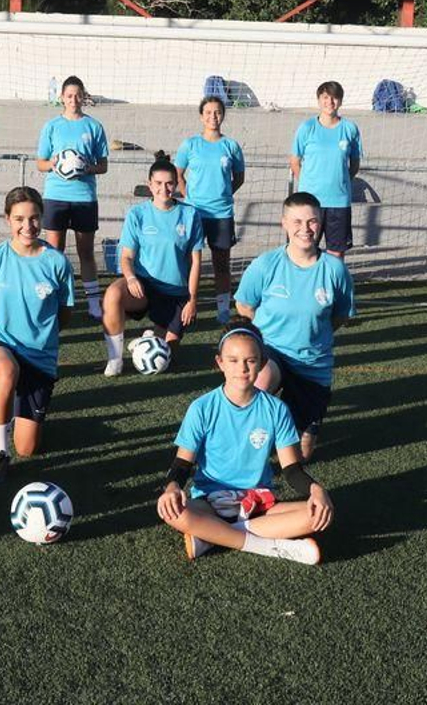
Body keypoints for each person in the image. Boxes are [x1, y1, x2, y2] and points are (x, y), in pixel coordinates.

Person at [155, 323, 330, 565]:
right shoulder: (202, 408)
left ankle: (213, 535)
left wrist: (316, 490)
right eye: (233, 360)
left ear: (262, 362)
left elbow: (291, 470)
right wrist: (173, 487)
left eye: (250, 360)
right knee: (172, 512)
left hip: (259, 502)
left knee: (316, 514)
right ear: (220, 363)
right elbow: (183, 462)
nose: (242, 368)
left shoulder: (276, 409)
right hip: (209, 502)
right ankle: (268, 546)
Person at [234, 192, 356, 461]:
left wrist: (313, 335)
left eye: (312, 221)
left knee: (300, 455)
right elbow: (244, 306)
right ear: (284, 224)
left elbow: (340, 316)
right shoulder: (266, 264)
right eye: (297, 221)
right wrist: (263, 339)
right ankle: (244, 454)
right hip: (272, 352)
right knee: (259, 379)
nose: (305, 229)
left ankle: (298, 427)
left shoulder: (335, 270)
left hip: (312, 363)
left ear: (321, 222)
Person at [0, 187, 75, 485]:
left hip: (40, 356)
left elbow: (64, 315)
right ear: (7, 220)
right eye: (19, 219)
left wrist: (38, 336)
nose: (27, 226)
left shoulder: (56, 263)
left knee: (28, 448)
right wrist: (2, 334)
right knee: (6, 371)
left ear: (42, 218)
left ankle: (17, 406)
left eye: (33, 218)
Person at [100, 153, 204, 376]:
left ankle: (145, 341)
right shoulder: (137, 214)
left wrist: (192, 300)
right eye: (158, 183)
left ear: (176, 184)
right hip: (144, 287)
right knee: (112, 295)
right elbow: (126, 257)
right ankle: (115, 360)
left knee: (168, 355)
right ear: (150, 184)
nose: (163, 189)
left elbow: (195, 262)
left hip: (175, 292)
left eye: (169, 183)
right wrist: (130, 278)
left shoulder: (190, 214)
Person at [34, 75, 109, 320]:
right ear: (62, 98)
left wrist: (88, 168)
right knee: (55, 251)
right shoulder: (51, 127)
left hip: (84, 197)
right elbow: (41, 163)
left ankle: (93, 302)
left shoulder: (94, 126)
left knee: (86, 251)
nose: (73, 99)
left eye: (78, 95)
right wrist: (53, 164)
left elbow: (103, 165)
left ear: (83, 96)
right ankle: (55, 297)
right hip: (55, 196)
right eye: (69, 95)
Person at [174, 95, 245, 323]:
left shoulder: (231, 146)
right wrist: (187, 195)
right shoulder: (191, 144)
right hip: (193, 213)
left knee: (221, 264)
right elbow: (177, 174)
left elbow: (239, 177)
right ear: (201, 116)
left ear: (223, 115)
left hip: (222, 214)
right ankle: (182, 305)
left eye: (217, 112)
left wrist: (223, 194)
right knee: (187, 261)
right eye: (208, 112)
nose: (213, 116)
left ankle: (223, 309)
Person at [288, 80, 362, 257]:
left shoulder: (350, 129)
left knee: (336, 254)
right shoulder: (307, 128)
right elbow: (295, 162)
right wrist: (307, 184)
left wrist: (340, 181)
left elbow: (354, 164)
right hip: (311, 202)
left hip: (339, 202)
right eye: (326, 97)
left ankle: (331, 285)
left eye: (335, 97)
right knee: (305, 250)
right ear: (319, 100)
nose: (330, 102)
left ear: (341, 101)